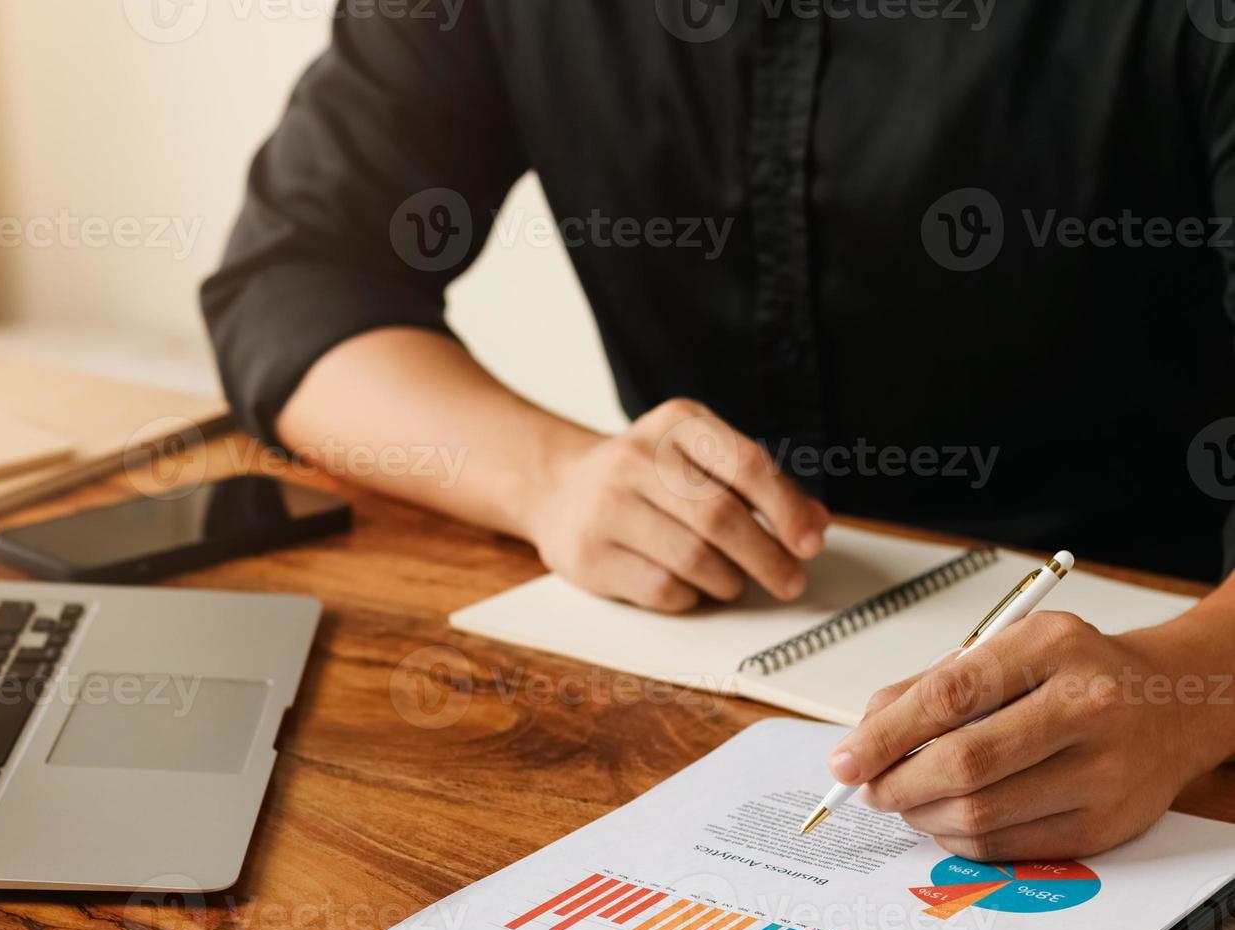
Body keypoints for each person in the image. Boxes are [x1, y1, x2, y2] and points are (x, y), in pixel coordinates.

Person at [202, 2, 1235, 860]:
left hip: (1160, 709)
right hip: (683, 686)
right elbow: (295, 277)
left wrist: (1194, 691)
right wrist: (551, 478)